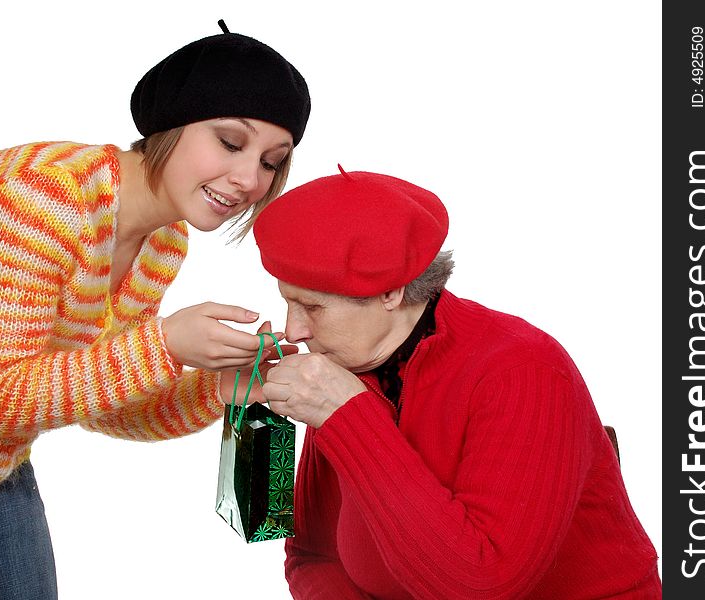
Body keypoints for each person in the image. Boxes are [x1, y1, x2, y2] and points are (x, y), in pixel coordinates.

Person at [0, 21, 309, 600]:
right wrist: (165, 345)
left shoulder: (163, 239)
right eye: (230, 142)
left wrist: (219, 388)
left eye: (273, 162)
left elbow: (105, 405)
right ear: (168, 124)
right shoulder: (43, 199)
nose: (250, 179)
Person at [254, 168, 661, 599]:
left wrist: (349, 416)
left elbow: (481, 585)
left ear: (390, 292)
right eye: (287, 302)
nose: (292, 330)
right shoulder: (346, 365)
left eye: (311, 308)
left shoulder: (524, 370)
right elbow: (312, 555)